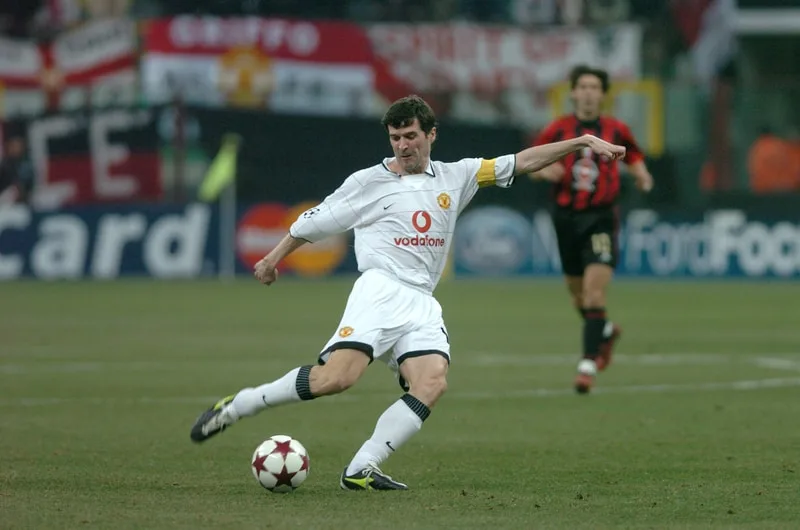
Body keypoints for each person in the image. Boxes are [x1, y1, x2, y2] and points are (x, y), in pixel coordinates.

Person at [190, 95, 626, 490]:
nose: (403, 145)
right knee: (335, 379)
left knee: (432, 382)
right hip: (379, 290)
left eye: (411, 136)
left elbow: (523, 160)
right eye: (396, 137)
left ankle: (363, 466)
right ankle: (240, 405)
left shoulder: (459, 176)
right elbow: (313, 222)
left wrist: (581, 141)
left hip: (421, 301)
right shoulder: (367, 182)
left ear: (431, 135)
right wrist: (272, 258)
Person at [529, 65, 654, 394]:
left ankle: (587, 365)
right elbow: (531, 164)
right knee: (579, 297)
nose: (587, 93)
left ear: (602, 94)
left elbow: (634, 153)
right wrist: (544, 173)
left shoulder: (615, 129)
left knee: (595, 292)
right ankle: (607, 330)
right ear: (572, 93)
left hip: (600, 217)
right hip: (565, 217)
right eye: (582, 86)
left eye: (593, 87)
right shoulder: (558, 130)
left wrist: (641, 174)